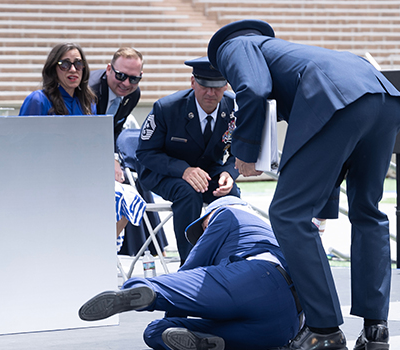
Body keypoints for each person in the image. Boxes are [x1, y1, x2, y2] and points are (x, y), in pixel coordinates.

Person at [208, 19, 400, 350]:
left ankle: (323, 328)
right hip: (385, 97)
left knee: (288, 213)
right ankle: (376, 328)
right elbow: (329, 153)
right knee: (367, 212)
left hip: (337, 100)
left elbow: (253, 90)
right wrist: (323, 206)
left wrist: (243, 152)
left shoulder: (235, 46)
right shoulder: (289, 53)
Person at [79, 196, 301, 350]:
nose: (204, 231)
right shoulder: (274, 232)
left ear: (211, 216)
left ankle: (142, 290)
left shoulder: (228, 213)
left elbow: (191, 269)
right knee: (156, 332)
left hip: (255, 278)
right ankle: (211, 343)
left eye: (203, 226)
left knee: (161, 290)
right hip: (286, 325)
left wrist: (171, 303)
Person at [136, 57, 240, 265]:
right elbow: (146, 153)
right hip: (164, 171)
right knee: (188, 193)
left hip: (207, 169)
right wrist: (183, 170)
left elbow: (240, 151)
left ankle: (228, 258)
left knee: (232, 193)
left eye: (217, 86)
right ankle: (191, 263)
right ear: (193, 82)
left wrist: (229, 173)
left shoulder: (234, 108)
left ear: (226, 85)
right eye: (204, 85)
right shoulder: (166, 108)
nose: (210, 93)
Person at [89, 47, 144, 183]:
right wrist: (111, 159)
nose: (126, 83)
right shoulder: (90, 90)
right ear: (109, 69)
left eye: (134, 79)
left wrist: (114, 158)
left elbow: (115, 128)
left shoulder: (133, 94)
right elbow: (88, 133)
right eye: (121, 75)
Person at [19, 42, 95, 116]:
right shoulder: (38, 100)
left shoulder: (88, 103)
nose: (73, 69)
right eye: (65, 64)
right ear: (53, 69)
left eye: (78, 63)